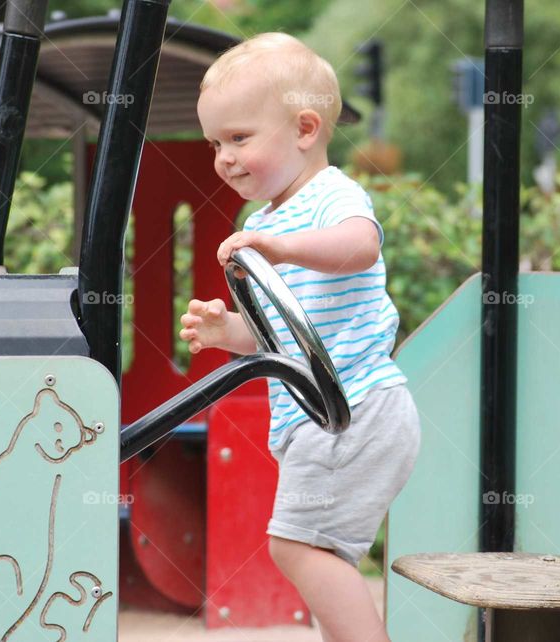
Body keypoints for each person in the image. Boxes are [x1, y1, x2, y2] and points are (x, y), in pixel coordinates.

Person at [179, 32, 420, 642]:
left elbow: (359, 246)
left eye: (239, 138)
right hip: (321, 414)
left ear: (305, 129)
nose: (224, 158)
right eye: (215, 143)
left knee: (296, 547)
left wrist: (283, 248)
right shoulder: (262, 222)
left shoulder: (327, 196)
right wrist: (224, 330)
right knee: (317, 554)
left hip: (352, 406)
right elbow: (274, 340)